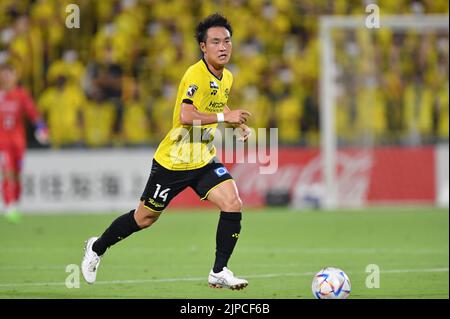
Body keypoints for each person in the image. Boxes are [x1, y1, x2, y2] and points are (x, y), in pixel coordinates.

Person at [81, 13, 252, 290]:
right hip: (173, 161)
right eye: (216, 42)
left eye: (227, 41)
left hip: (203, 159)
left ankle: (219, 271)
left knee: (233, 203)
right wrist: (225, 118)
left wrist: (235, 125)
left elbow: (213, 110)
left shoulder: (227, 77)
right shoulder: (194, 74)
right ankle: (97, 247)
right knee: (144, 218)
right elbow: (186, 115)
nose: (223, 47)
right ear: (203, 46)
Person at [0, 62, 49, 223]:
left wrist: (41, 128)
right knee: (7, 171)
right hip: (3, 142)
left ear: (15, 76)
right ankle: (9, 205)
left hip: (18, 143)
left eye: (10, 74)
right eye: (4, 74)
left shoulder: (21, 95)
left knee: (17, 174)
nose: (6, 77)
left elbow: (33, 113)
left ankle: (15, 202)